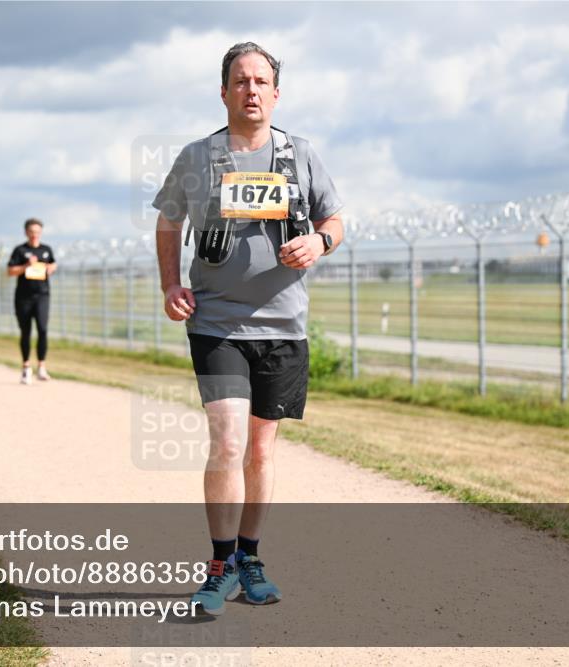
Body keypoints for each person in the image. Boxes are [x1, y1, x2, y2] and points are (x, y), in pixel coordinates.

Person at [152, 42, 344, 616]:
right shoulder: (198, 156)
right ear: (224, 91)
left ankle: (250, 559)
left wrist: (321, 240)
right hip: (217, 322)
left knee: (261, 451)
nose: (251, 90)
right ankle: (219, 564)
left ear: (276, 93)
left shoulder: (300, 155)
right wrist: (169, 285)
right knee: (229, 441)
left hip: (284, 327)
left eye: (262, 81)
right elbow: (168, 223)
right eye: (241, 81)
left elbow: (335, 218)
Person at [7, 218, 57, 384]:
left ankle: (41, 366)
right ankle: (26, 367)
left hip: (42, 295)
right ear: (26, 232)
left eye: (37, 232)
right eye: (32, 232)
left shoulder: (46, 250)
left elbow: (53, 264)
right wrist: (26, 265)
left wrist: (51, 268)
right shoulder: (20, 250)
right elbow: (10, 271)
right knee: (25, 331)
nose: (35, 235)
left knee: (42, 329)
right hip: (23, 297)